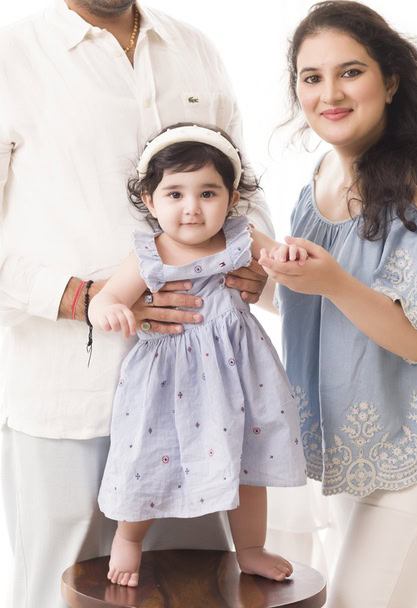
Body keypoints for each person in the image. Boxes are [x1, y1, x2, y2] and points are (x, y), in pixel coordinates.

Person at [0, 0, 274, 607]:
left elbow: (245, 191)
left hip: (204, 398)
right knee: (64, 598)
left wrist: (257, 266)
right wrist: (84, 295)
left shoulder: (197, 52)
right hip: (71, 403)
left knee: (201, 598)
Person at [259, 1, 417, 608]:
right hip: (353, 447)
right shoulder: (321, 181)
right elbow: (336, 313)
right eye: (311, 78)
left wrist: (332, 281)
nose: (329, 93)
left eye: (350, 72)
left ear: (389, 80)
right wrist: (263, 282)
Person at [88, 123, 306, 587]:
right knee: (147, 455)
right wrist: (110, 311)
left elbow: (284, 272)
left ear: (231, 196)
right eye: (175, 194)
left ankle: (250, 547)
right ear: (150, 201)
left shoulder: (241, 237)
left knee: (251, 460)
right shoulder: (150, 252)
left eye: (208, 192)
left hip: (242, 376)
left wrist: (284, 264)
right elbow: (105, 298)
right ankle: (129, 539)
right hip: (169, 380)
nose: (191, 208)